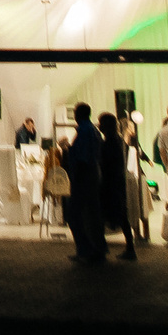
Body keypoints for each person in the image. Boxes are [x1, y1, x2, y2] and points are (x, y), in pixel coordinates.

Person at [64, 103, 105, 262]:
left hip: (84, 177)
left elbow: (81, 156)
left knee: (74, 215)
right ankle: (96, 249)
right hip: (93, 175)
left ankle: (86, 249)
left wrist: (67, 149)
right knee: (92, 214)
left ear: (78, 114)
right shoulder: (93, 131)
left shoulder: (84, 131)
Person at [97, 112, 137, 260]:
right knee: (121, 215)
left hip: (110, 183)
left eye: (101, 123)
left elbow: (105, 163)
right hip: (116, 182)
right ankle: (129, 248)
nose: (99, 126)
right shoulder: (117, 140)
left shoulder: (109, 142)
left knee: (106, 214)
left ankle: (102, 248)